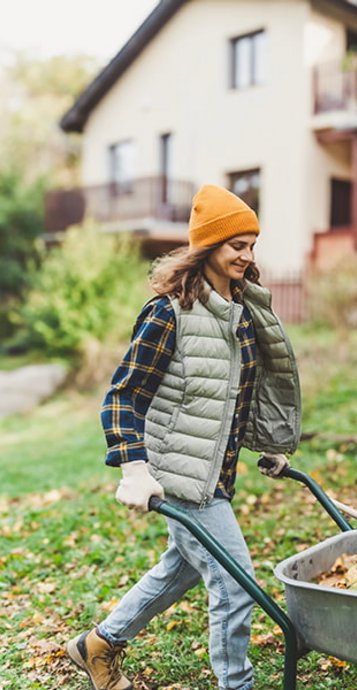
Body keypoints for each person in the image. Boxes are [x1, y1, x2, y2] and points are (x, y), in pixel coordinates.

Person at [65, 184, 301, 690]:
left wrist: (271, 445)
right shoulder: (169, 314)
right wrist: (134, 468)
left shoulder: (238, 312)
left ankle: (98, 645)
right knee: (236, 585)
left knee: (185, 567)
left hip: (214, 470)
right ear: (209, 246)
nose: (247, 254)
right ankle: (236, 684)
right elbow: (122, 397)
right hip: (178, 472)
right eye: (237, 244)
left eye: (252, 244)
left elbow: (237, 393)